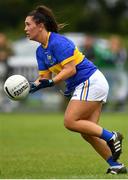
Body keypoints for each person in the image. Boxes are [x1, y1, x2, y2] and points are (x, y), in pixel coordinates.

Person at [24, 5, 127, 174]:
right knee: (88, 132)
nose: (25, 29)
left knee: (70, 121)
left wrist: (51, 82)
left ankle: (112, 136)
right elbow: (43, 78)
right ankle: (116, 165)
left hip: (90, 81)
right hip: (89, 84)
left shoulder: (58, 42)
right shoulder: (40, 51)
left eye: (28, 24)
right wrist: (28, 88)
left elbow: (70, 69)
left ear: (40, 25)